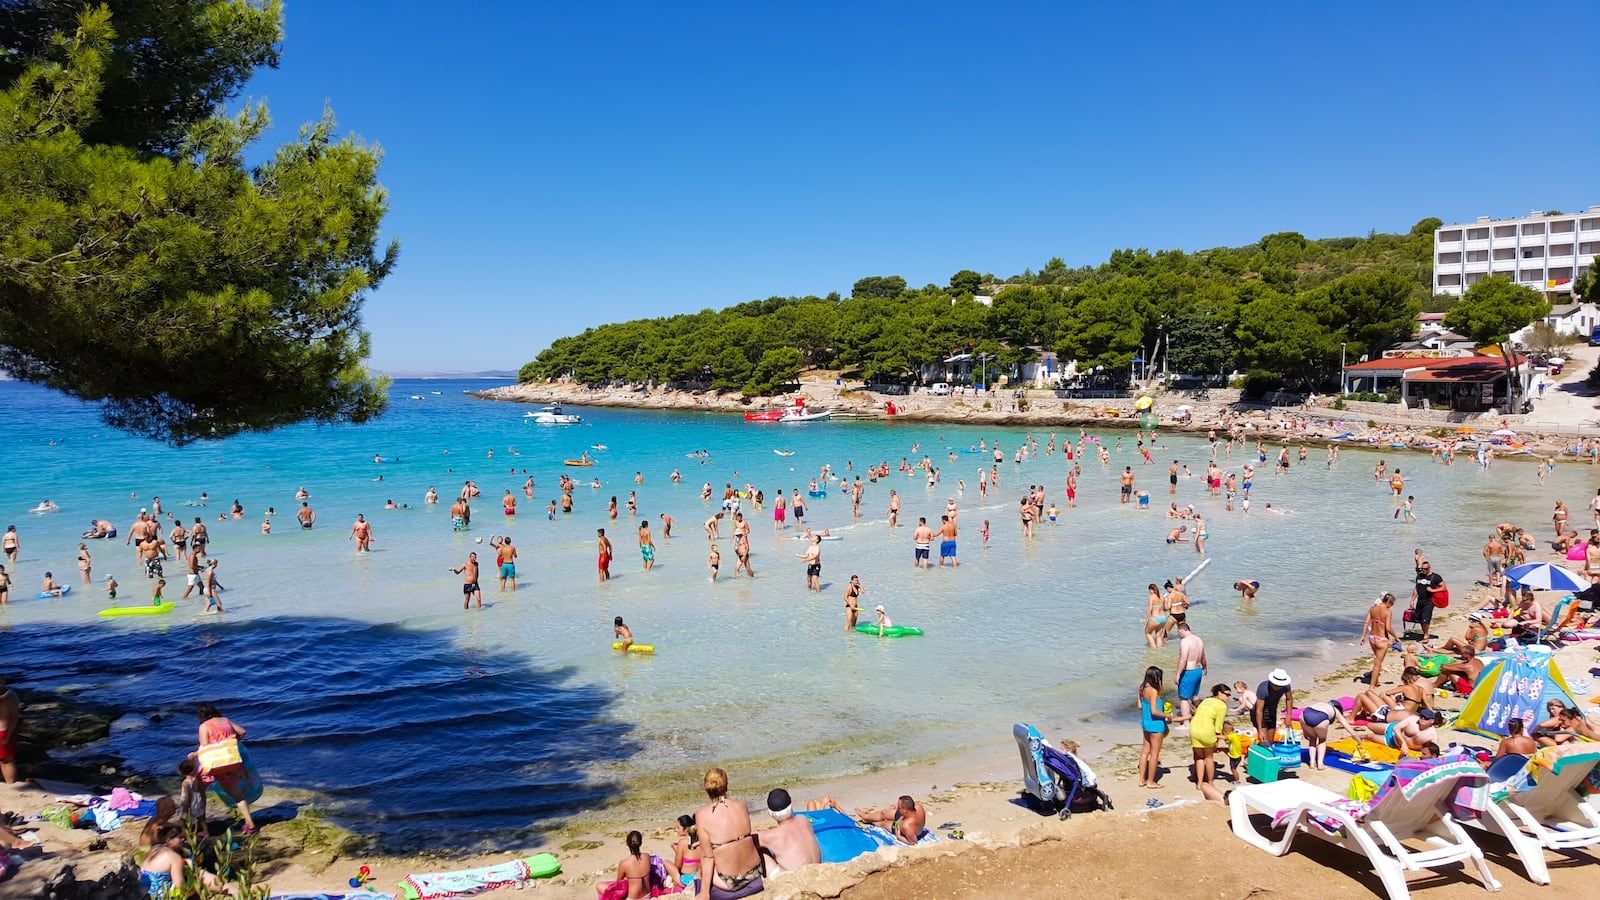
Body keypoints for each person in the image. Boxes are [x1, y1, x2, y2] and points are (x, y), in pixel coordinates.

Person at [694, 767, 764, 900]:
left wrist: (704, 892)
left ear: (706, 788)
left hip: (729, 882)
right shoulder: (742, 806)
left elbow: (708, 858)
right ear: (726, 785)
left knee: (703, 859)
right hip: (754, 873)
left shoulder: (701, 815)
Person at [188, 703, 257, 833]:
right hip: (230, 762)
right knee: (237, 795)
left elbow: (205, 747)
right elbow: (242, 732)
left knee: (199, 792)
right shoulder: (225, 721)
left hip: (212, 763)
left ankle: (203, 828)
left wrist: (193, 755)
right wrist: (232, 742)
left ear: (201, 716)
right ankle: (250, 823)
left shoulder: (204, 726)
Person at [757, 788, 820, 872]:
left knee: (761, 852)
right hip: (817, 867)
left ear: (770, 813)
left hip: (797, 878)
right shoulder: (804, 819)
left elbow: (746, 839)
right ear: (790, 806)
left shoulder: (772, 836)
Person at [1187, 684, 1231, 802]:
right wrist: (1218, 738)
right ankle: (1210, 782)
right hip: (1207, 731)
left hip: (1194, 729)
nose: (1228, 697)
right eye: (1227, 694)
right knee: (1209, 757)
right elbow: (1218, 725)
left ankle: (1199, 783)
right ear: (1219, 693)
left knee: (1199, 757)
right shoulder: (1222, 706)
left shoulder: (1205, 701)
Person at [1299, 700, 1357, 770]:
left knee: (1312, 739)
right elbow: (1348, 728)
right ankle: (1320, 764)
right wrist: (1359, 741)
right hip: (1321, 717)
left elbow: (1300, 717)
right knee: (1322, 740)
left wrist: (1305, 732)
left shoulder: (1322, 704)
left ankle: (1311, 762)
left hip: (1305, 715)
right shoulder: (1336, 711)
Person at [1137, 666, 1169, 788]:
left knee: (1145, 752)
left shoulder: (1141, 688)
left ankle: (1141, 780)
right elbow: (1154, 711)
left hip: (1145, 723)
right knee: (1154, 754)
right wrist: (1168, 715)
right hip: (1156, 724)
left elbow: (1140, 706)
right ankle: (1150, 781)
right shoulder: (1154, 691)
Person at [855, 795, 927, 846]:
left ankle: (870, 821)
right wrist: (898, 807)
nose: (897, 808)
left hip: (900, 827)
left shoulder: (906, 826)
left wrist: (898, 835)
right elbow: (908, 805)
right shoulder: (918, 807)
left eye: (899, 807)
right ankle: (866, 817)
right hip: (904, 816)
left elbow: (913, 842)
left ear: (905, 810)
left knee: (884, 823)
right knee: (884, 813)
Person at [607, 830, 657, 899]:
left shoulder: (624, 863)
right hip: (647, 896)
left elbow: (617, 884)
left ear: (627, 844)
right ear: (640, 843)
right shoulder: (647, 856)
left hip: (633, 898)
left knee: (599, 886)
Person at [1362, 594, 1397, 687]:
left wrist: (1363, 636)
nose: (1391, 606)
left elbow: (1366, 622)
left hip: (1372, 637)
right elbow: (1388, 628)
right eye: (1392, 604)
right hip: (1381, 639)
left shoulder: (1372, 609)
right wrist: (1396, 637)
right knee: (1378, 663)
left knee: (1378, 660)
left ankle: (1376, 681)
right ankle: (1372, 685)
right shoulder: (1388, 612)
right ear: (1389, 602)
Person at [1174, 622, 1206, 720]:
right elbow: (1203, 656)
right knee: (1194, 696)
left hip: (1188, 671)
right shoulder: (1198, 639)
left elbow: (1183, 659)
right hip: (1198, 670)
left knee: (1183, 698)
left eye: (1178, 632)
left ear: (1181, 630)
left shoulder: (1185, 641)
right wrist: (1205, 668)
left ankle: (1186, 723)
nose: (1178, 634)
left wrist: (1178, 674)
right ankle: (1199, 716)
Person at [1252, 668, 1295, 741]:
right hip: (1260, 714)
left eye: (1280, 685)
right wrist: (1260, 730)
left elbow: (1289, 699)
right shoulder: (1263, 688)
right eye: (1276, 685)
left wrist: (1288, 716)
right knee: (1265, 742)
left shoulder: (1286, 686)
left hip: (1272, 712)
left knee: (1271, 741)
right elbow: (1259, 710)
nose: (1278, 687)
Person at [1411, 558, 1444, 642]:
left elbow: (1444, 587)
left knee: (1425, 618)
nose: (1423, 571)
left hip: (1429, 600)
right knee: (1419, 618)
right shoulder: (1419, 576)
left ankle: (1426, 635)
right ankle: (1425, 633)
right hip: (1420, 599)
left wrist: (1433, 590)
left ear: (1429, 568)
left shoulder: (1435, 577)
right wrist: (1412, 600)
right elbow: (1416, 589)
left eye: (1425, 569)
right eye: (1422, 569)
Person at [672, 814, 702, 892]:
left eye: (678, 827)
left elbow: (677, 866)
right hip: (698, 876)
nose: (676, 830)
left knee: (666, 863)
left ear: (686, 829)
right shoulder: (701, 840)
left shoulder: (682, 842)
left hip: (686, 879)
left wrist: (676, 849)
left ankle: (679, 884)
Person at [0, 676, 19, 784]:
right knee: (6, 760)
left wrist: (7, 735)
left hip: (4, 731)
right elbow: (15, 716)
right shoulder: (11, 694)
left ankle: (11, 784)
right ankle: (10, 784)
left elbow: (13, 717)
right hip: (6, 731)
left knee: (6, 761)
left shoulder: (8, 696)